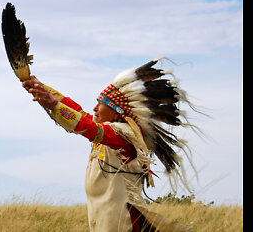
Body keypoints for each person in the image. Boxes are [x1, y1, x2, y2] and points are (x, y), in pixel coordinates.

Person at [22, 57, 196, 232]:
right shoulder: (108, 130)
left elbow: (87, 127)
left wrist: (53, 104)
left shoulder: (122, 134)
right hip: (105, 217)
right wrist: (40, 88)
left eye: (102, 104)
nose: (95, 108)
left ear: (117, 113)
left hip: (123, 221)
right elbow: (80, 114)